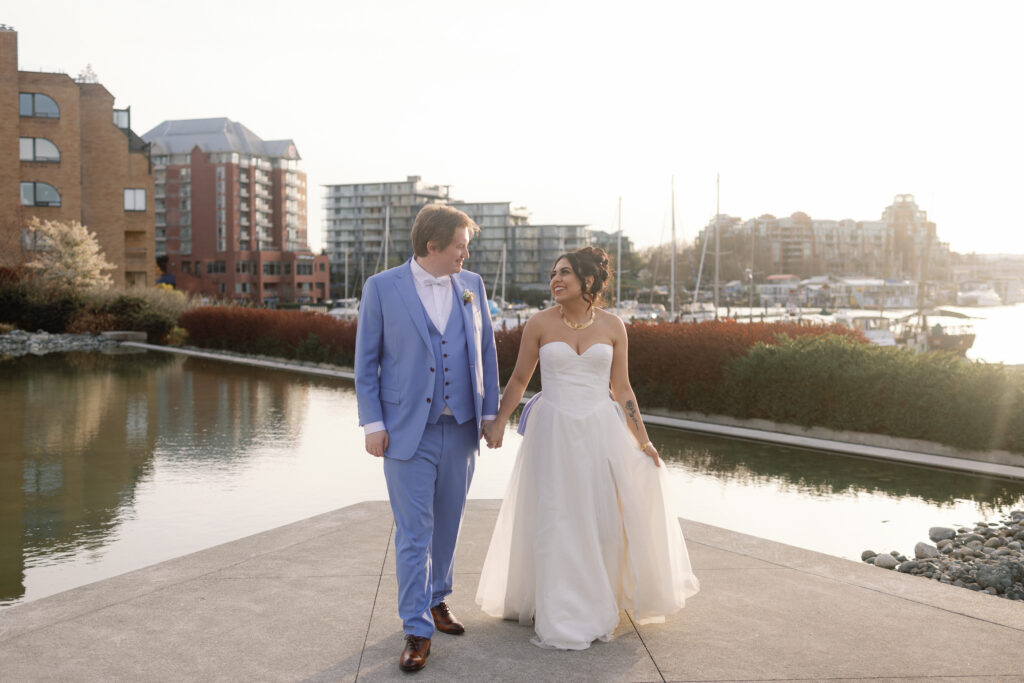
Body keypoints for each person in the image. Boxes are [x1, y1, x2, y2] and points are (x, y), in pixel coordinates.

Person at [477, 246, 700, 650]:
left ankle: (597, 598)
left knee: (599, 517)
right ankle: (557, 604)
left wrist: (644, 441)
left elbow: (623, 389)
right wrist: (497, 423)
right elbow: (520, 380)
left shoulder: (614, 326)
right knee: (556, 516)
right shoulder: (539, 324)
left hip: (600, 430)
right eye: (553, 274)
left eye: (564, 273)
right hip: (553, 432)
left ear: (589, 280)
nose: (555, 280)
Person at [354, 204, 500, 672]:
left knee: (449, 523)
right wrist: (373, 424)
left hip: (461, 428)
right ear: (432, 245)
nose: (465, 254)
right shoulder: (381, 287)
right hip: (404, 432)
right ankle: (416, 629)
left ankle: (437, 599)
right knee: (413, 533)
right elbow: (366, 362)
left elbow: (486, 351)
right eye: (460, 245)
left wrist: (491, 414)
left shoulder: (472, 285)